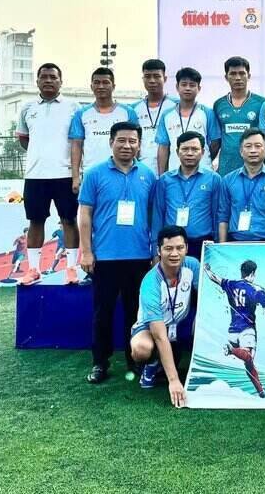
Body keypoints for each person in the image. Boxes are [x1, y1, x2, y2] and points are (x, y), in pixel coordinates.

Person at [77, 121, 157, 384]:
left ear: (139, 144)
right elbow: (85, 215)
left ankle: (136, 360)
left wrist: (154, 251)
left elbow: (152, 217)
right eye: (121, 140)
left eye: (133, 141)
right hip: (105, 257)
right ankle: (100, 362)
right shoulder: (95, 174)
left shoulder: (147, 175)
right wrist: (86, 251)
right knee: (103, 312)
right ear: (111, 142)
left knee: (136, 312)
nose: (127, 145)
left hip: (139, 257)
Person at [15, 62, 82, 285]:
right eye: (44, 77)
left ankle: (71, 268)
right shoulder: (27, 108)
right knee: (36, 221)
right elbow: (24, 139)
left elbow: (78, 140)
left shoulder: (74, 107)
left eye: (53, 77)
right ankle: (34, 269)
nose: (48, 80)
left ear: (61, 81)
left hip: (65, 174)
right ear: (37, 81)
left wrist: (74, 172)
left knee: (69, 220)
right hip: (35, 176)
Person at [129, 226, 199, 407]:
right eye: (168, 249)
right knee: (142, 348)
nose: (174, 253)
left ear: (186, 248)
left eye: (179, 248)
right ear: (159, 251)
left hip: (179, 325)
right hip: (152, 329)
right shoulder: (150, 282)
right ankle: (151, 364)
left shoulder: (192, 265)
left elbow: (209, 297)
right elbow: (159, 335)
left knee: (203, 322)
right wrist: (174, 381)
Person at [204, 259, 265, 398]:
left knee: (249, 365)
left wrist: (206, 269)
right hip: (247, 330)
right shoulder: (257, 290)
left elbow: (214, 278)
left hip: (232, 331)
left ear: (242, 273)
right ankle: (231, 350)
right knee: (249, 357)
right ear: (253, 273)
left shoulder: (231, 284)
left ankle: (261, 392)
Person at [152, 131, 222, 259]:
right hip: (171, 245)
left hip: (203, 244)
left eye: (194, 149)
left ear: (202, 152)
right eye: (185, 149)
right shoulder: (165, 180)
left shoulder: (213, 179)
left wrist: (217, 246)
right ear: (178, 151)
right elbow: (158, 216)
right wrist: (155, 253)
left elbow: (217, 215)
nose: (189, 153)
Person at [69, 67, 139, 192]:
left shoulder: (127, 112)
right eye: (97, 82)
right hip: (91, 174)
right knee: (89, 210)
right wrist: (75, 177)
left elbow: (136, 143)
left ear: (113, 86)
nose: (101, 86)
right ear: (91, 86)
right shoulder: (81, 114)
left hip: (122, 172)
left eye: (106, 82)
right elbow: (76, 145)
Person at [217, 129, 265, 242]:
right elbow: (223, 216)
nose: (253, 150)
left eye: (258, 146)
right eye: (248, 146)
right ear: (241, 151)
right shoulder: (228, 180)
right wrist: (222, 247)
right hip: (236, 243)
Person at [155, 67, 222, 175]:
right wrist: (161, 175)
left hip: (203, 172)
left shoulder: (207, 113)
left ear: (199, 88)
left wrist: (201, 156)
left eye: (192, 85)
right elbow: (163, 147)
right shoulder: (167, 115)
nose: (188, 88)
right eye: (184, 84)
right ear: (177, 87)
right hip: (174, 173)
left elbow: (215, 143)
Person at [213, 56, 265, 176]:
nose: (238, 78)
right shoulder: (219, 104)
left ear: (249, 76)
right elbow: (216, 140)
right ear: (226, 77)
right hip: (226, 168)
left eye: (242, 73)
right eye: (233, 73)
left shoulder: (262, 103)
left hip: (254, 168)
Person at [131, 59, 177, 167]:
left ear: (165, 79)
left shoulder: (176, 105)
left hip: (170, 169)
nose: (152, 80)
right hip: (142, 169)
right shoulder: (133, 109)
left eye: (157, 76)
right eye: (147, 76)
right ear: (143, 79)